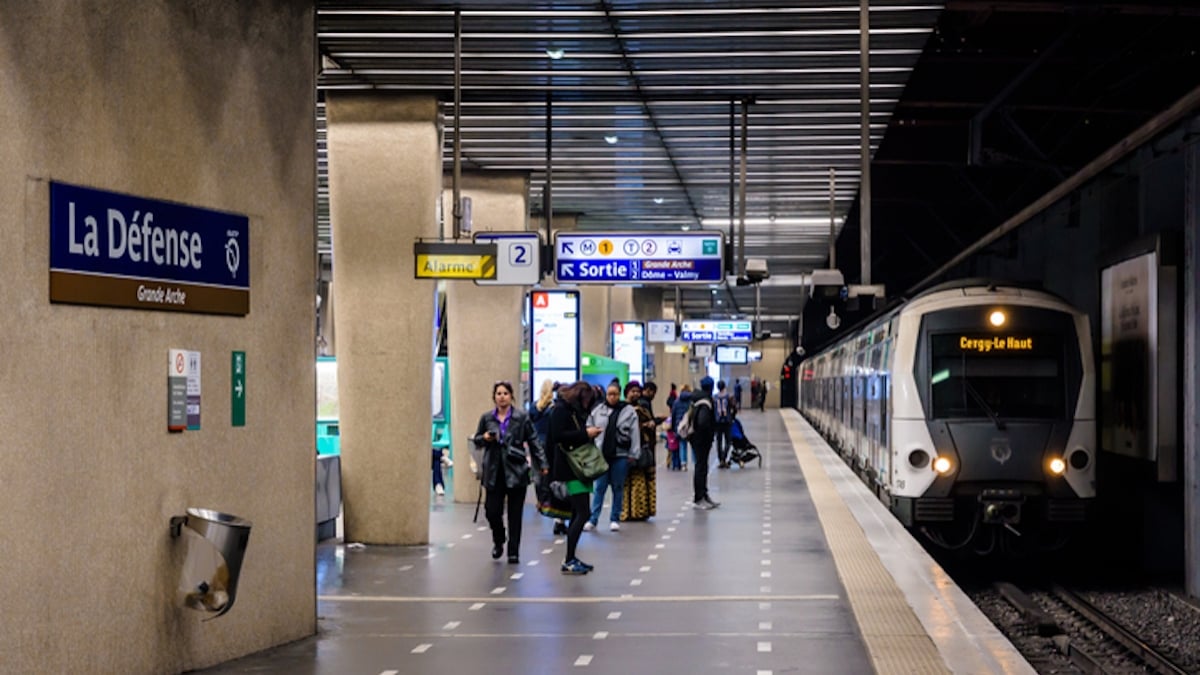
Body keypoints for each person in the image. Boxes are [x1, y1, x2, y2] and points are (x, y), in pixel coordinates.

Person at [471, 381, 547, 565]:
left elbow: (534, 441)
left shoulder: (521, 417)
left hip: (516, 470)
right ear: (494, 397)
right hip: (494, 471)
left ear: (511, 396)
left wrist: (542, 463)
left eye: (505, 393)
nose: (502, 396)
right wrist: (485, 438)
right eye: (498, 393)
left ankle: (514, 551)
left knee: (515, 514)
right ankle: (499, 538)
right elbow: (476, 440)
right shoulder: (487, 418)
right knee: (492, 510)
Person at [548, 380, 601, 574]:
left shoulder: (570, 410)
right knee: (583, 512)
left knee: (577, 513)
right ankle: (568, 558)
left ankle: (571, 557)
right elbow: (558, 436)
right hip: (570, 469)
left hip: (577, 468)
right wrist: (585, 434)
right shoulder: (561, 410)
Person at [586, 381, 640, 532]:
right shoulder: (598, 410)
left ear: (620, 394)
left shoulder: (628, 411)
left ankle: (615, 518)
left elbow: (635, 432)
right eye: (609, 394)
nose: (612, 397)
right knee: (600, 487)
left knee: (617, 487)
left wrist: (634, 453)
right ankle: (593, 519)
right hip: (602, 455)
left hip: (620, 454)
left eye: (615, 394)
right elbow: (589, 425)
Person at [623, 381, 657, 521]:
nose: (636, 394)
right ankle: (630, 511)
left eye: (638, 391)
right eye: (633, 391)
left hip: (642, 449)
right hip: (627, 450)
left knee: (640, 480)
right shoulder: (624, 409)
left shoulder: (642, 407)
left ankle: (638, 512)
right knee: (629, 481)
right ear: (627, 393)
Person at [690, 376, 719, 509]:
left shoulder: (697, 398)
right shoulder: (705, 402)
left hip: (697, 439)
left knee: (702, 467)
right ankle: (699, 497)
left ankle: (703, 495)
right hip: (701, 439)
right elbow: (702, 422)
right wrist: (709, 432)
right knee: (701, 467)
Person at [669, 384, 693, 471]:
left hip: (680, 426)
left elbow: (673, 415)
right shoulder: (692, 401)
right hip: (690, 425)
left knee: (682, 445)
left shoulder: (676, 401)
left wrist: (673, 427)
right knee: (693, 445)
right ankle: (695, 461)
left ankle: (683, 464)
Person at [714, 380, 735, 469]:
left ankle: (720, 459)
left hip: (717, 421)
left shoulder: (714, 397)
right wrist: (732, 417)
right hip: (727, 421)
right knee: (728, 441)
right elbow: (734, 407)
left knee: (718, 441)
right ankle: (724, 457)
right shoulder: (729, 397)